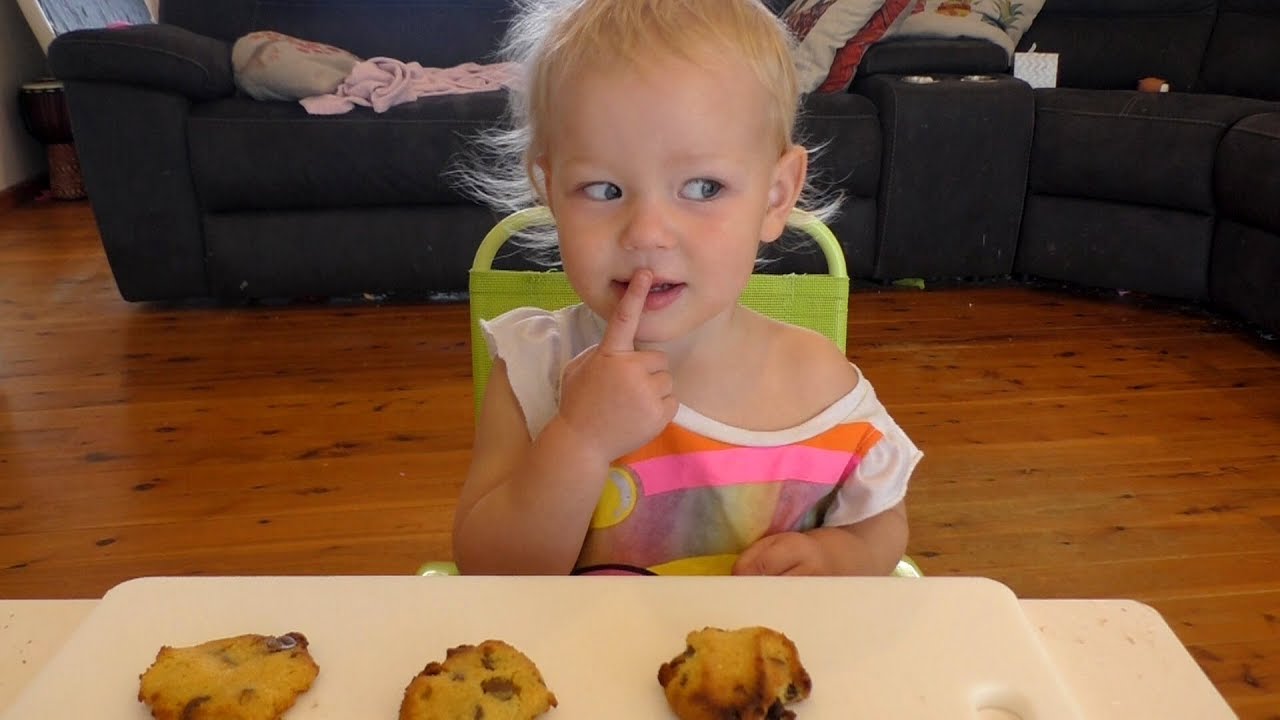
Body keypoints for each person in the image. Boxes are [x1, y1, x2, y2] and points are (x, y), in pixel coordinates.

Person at [451, 0, 922, 576]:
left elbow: (879, 522)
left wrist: (839, 556)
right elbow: (488, 572)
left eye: (702, 187)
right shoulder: (536, 369)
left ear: (775, 196)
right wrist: (579, 440)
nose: (647, 234)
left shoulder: (818, 381)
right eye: (602, 189)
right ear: (549, 191)